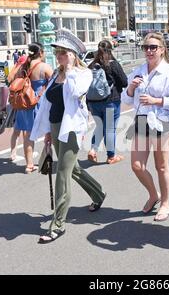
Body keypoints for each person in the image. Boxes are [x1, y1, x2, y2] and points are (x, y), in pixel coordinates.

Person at [30, 29, 107, 243]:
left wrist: (71, 68)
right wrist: (46, 131)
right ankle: (98, 194)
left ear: (73, 54)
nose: (58, 56)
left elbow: (74, 93)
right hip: (55, 126)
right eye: (57, 53)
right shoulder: (56, 73)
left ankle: (58, 224)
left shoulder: (83, 74)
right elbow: (48, 103)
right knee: (73, 169)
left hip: (72, 128)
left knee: (63, 173)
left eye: (63, 52)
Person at [121, 32, 169, 222]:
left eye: (153, 47)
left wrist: (156, 100)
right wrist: (131, 88)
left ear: (162, 50)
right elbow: (125, 99)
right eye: (146, 47)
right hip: (141, 120)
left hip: (161, 121)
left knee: (161, 166)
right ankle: (153, 194)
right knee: (137, 166)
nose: (149, 51)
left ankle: (165, 203)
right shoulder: (138, 70)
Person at [9, 43, 52, 173]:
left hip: (24, 103)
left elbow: (11, 79)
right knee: (48, 132)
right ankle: (47, 160)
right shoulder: (44, 67)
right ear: (41, 53)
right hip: (39, 103)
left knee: (27, 135)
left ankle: (29, 165)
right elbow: (54, 83)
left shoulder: (23, 66)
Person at [87, 40, 128, 164]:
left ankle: (93, 150)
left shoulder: (91, 65)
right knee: (110, 129)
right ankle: (111, 156)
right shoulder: (113, 64)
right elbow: (124, 82)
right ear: (110, 50)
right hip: (111, 101)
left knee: (99, 126)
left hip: (93, 101)